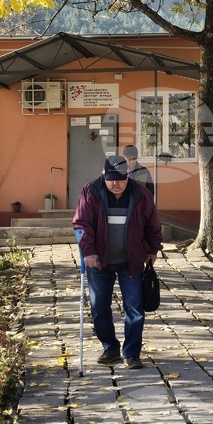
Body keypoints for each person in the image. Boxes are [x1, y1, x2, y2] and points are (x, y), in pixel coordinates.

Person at [73, 154, 162, 369]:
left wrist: (152, 249)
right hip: (99, 262)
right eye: (111, 179)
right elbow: (82, 225)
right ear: (104, 175)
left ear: (128, 176)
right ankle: (110, 348)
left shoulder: (141, 194)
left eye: (120, 179)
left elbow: (153, 223)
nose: (115, 184)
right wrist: (89, 252)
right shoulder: (91, 191)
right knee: (99, 307)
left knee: (135, 308)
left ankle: (131, 353)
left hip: (130, 261)